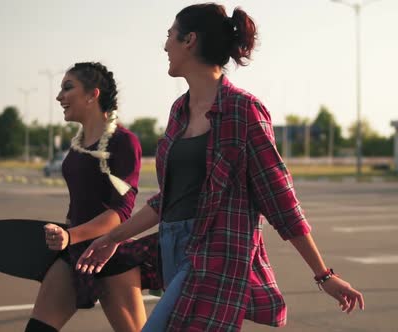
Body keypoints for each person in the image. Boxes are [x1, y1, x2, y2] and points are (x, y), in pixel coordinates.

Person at [76, 4, 365, 331]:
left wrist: (323, 274)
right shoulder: (179, 111)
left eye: (170, 35)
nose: (165, 45)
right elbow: (168, 199)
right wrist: (113, 238)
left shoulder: (244, 111)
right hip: (172, 245)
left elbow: (280, 199)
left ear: (189, 41)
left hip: (217, 254)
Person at [25, 61, 159, 332]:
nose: (59, 96)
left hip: (111, 255)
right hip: (73, 251)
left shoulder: (123, 142)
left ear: (92, 94)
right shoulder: (77, 147)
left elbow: (120, 212)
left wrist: (72, 235)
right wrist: (68, 238)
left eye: (67, 88)